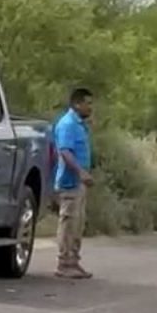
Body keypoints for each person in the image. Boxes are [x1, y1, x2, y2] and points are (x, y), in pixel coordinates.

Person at [53, 88, 94, 279]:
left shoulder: (80, 125)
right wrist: (80, 172)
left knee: (78, 223)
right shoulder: (68, 124)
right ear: (77, 104)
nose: (90, 107)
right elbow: (65, 151)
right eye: (87, 103)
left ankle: (73, 261)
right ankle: (64, 262)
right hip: (70, 181)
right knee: (69, 222)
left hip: (79, 182)